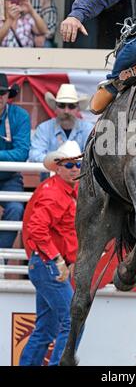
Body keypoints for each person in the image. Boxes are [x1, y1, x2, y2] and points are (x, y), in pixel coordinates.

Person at [20, 141, 82, 366]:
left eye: (78, 164)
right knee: (74, 322)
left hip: (46, 265)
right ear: (58, 166)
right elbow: (37, 228)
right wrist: (58, 259)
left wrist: (68, 260)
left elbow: (60, 232)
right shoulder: (56, 192)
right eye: (70, 164)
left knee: (46, 329)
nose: (75, 169)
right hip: (49, 265)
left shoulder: (62, 190)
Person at [0, 73, 31, 249]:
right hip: (10, 175)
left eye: (2, 93)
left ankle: (1, 256)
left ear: (7, 95)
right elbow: (18, 152)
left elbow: (22, 153)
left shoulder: (19, 115)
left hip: (10, 178)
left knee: (16, 209)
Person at [29, 84, 93, 164]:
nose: (66, 111)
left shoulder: (88, 128)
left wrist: (59, 162)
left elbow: (92, 157)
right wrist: (64, 163)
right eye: (61, 105)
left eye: (71, 106)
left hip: (79, 175)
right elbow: (34, 155)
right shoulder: (44, 128)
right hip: (51, 174)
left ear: (78, 109)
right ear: (55, 108)